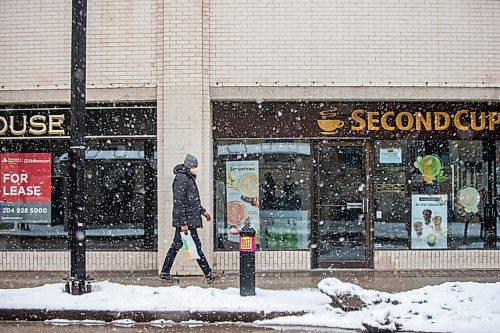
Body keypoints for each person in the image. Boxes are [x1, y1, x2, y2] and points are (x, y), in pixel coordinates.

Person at [159, 154, 223, 283]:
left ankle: (165, 272)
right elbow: (179, 202)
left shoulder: (188, 178)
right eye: (194, 166)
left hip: (189, 219)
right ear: (188, 166)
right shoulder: (181, 179)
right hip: (187, 221)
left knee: (177, 246)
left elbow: (192, 201)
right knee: (195, 247)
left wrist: (202, 211)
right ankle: (208, 274)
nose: (196, 169)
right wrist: (183, 223)